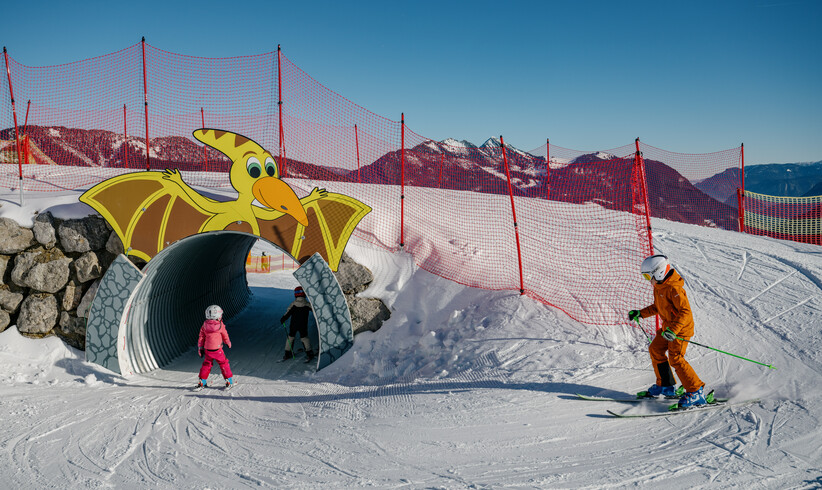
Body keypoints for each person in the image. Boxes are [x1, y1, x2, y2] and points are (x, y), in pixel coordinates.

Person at [628, 254, 706, 408]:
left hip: (680, 330)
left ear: (659, 272)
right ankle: (666, 385)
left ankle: (696, 391)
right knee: (655, 349)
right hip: (668, 329)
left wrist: (674, 330)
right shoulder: (659, 287)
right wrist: (641, 313)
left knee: (676, 358)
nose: (647, 280)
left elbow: (685, 312)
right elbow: (658, 307)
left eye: (647, 276)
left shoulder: (674, 288)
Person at [196, 304, 234, 389]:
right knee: (223, 363)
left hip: (208, 350)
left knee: (206, 364)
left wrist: (200, 348)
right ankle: (229, 381)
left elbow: (201, 337)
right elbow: (225, 335)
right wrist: (227, 342)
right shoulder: (220, 325)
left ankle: (202, 381)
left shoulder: (204, 325)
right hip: (217, 350)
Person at [280, 286, 315, 362]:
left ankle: (287, 353)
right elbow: (315, 311)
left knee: (290, 337)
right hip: (303, 325)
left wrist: (283, 319)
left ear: (295, 295)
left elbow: (287, 313)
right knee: (304, 338)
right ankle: (309, 353)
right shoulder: (307, 304)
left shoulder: (293, 304)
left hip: (293, 325)